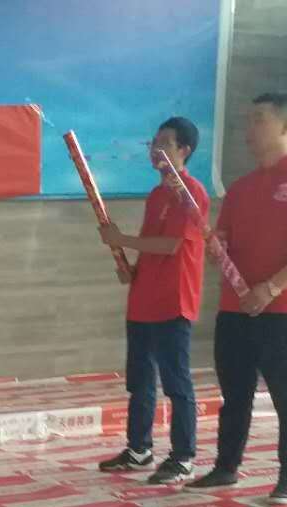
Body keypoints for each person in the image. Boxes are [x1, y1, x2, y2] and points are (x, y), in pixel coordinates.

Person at [187, 93, 287, 504]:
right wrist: (216, 247)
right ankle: (226, 467)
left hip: (284, 308)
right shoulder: (241, 188)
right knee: (234, 393)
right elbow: (225, 242)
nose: (248, 129)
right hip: (235, 308)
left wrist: (272, 287)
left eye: (258, 120)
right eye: (247, 120)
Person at [98, 117, 208, 484]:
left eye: (165, 143)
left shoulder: (192, 194)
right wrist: (132, 270)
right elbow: (152, 248)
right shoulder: (157, 195)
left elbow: (171, 245)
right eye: (154, 142)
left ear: (184, 151)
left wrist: (122, 240)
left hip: (173, 302)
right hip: (143, 300)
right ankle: (139, 449)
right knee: (140, 381)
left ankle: (183, 456)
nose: (156, 149)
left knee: (177, 383)